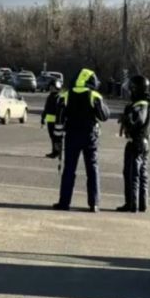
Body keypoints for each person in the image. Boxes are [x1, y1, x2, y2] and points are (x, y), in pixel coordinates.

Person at [51, 68, 109, 212]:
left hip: (71, 136)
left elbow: (59, 120)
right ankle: (94, 204)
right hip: (90, 137)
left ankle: (64, 203)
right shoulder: (94, 95)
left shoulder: (65, 96)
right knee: (92, 169)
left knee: (69, 170)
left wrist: (57, 140)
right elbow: (104, 116)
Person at [117, 75, 150, 213]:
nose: (130, 92)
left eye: (132, 89)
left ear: (136, 89)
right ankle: (142, 204)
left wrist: (126, 119)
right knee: (142, 173)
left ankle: (132, 204)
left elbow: (138, 121)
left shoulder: (141, 105)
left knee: (132, 173)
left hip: (136, 142)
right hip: (145, 142)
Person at [40, 77, 64, 158]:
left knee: (58, 138)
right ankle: (54, 151)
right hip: (50, 121)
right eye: (50, 87)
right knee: (53, 137)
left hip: (58, 122)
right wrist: (43, 118)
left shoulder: (60, 98)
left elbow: (62, 110)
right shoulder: (49, 97)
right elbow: (46, 109)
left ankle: (58, 152)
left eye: (52, 87)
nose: (51, 88)